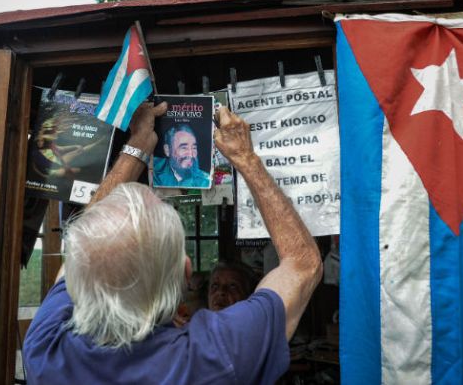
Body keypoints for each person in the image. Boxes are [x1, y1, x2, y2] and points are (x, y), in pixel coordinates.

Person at [23, 102, 323, 385]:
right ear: (185, 271)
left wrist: (138, 145)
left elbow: (83, 250)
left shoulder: (46, 348)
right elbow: (302, 265)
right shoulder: (215, 356)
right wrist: (246, 158)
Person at [152, 123, 210, 188]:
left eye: (194, 148)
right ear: (167, 150)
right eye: (184, 148)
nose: (191, 155)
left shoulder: (205, 181)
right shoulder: (153, 167)